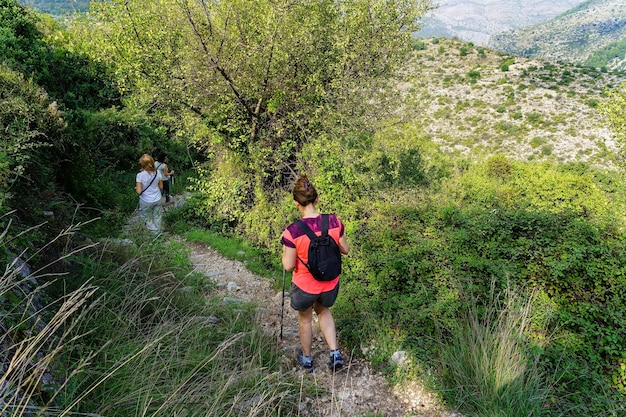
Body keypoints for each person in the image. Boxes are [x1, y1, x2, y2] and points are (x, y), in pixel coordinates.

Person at [281, 175, 350, 372]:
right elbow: (345, 249)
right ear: (317, 199)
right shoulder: (334, 222)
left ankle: (308, 359)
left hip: (305, 286)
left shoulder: (292, 232)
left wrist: (284, 248)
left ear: (296, 203)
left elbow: (287, 265)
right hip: (329, 283)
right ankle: (334, 353)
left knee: (305, 318)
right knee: (324, 311)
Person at [135, 154, 163, 234]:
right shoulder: (158, 173)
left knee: (145, 217)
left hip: (146, 200)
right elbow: (161, 187)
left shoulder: (140, 175)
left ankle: (155, 233)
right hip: (158, 198)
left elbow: (139, 191)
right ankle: (158, 232)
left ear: (142, 164)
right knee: (157, 216)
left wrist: (136, 188)